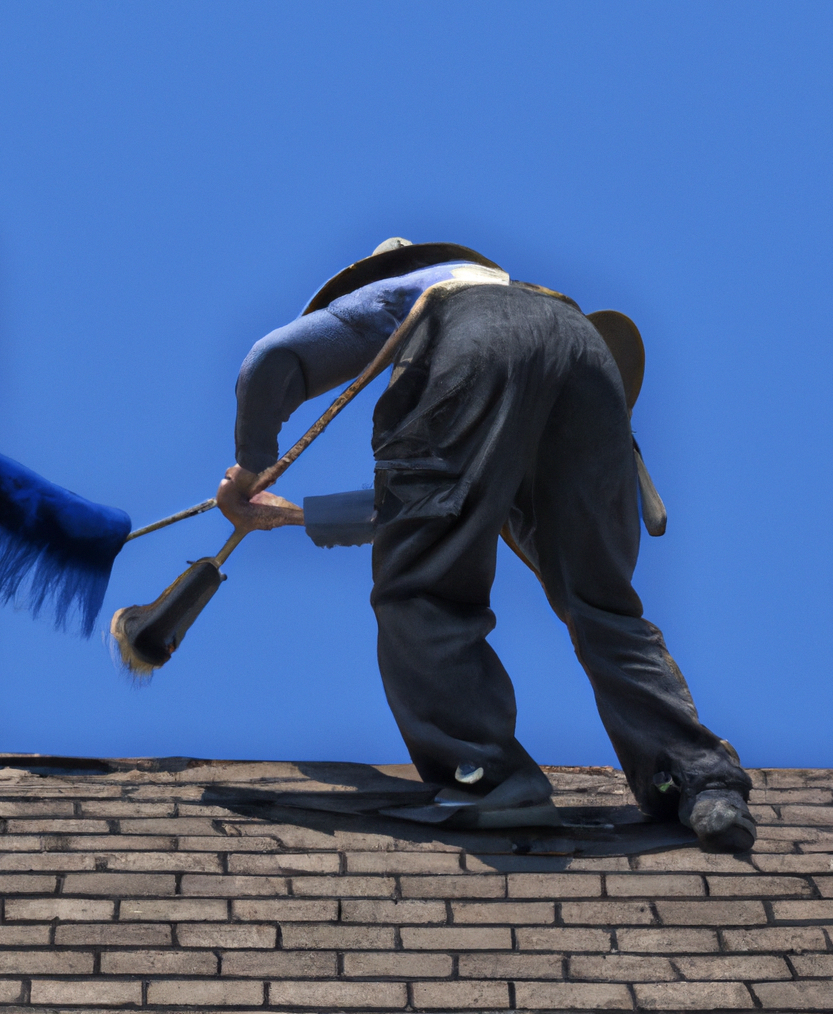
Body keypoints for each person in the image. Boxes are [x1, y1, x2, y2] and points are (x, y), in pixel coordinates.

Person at [216, 238, 755, 852]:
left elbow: (273, 358)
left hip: (478, 349)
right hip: (587, 356)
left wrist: (250, 465)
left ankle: (486, 775)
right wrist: (290, 516)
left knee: (421, 591)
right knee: (602, 607)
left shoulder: (417, 289)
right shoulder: (531, 322)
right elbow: (418, 509)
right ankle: (701, 780)